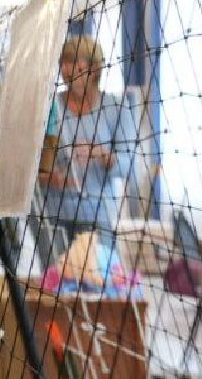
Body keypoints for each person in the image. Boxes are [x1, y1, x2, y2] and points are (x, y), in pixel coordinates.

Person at [36, 35, 138, 267]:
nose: (67, 70)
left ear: (94, 69)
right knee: (56, 287)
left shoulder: (115, 107)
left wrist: (103, 155)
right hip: (54, 215)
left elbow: (130, 164)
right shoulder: (49, 106)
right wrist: (46, 177)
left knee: (98, 285)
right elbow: (33, 163)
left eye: (75, 63)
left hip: (98, 217)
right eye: (64, 63)